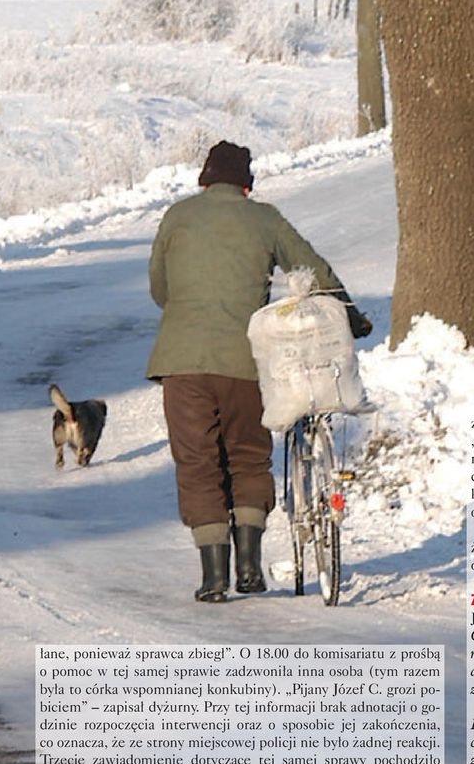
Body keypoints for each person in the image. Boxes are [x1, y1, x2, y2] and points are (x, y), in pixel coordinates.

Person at [146, 140, 372, 603]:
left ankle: (213, 577)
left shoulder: (177, 216)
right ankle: (249, 568)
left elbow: (159, 288)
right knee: (248, 456)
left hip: (182, 364)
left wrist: (192, 311)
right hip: (245, 364)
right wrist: (349, 314)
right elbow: (314, 269)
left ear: (204, 179)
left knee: (197, 462)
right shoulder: (265, 218)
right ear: (246, 185)